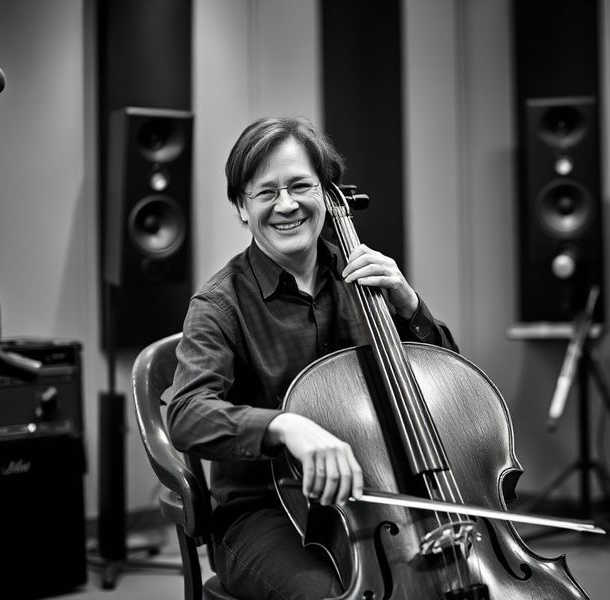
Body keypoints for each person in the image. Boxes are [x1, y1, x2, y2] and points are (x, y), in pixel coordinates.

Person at [167, 116, 458, 600]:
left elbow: (450, 390)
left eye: (301, 186)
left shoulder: (367, 281)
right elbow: (186, 414)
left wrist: (410, 306)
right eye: (266, 193)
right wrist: (285, 427)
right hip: (267, 514)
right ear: (241, 207)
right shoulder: (220, 304)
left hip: (385, 498)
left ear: (327, 194)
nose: (287, 205)